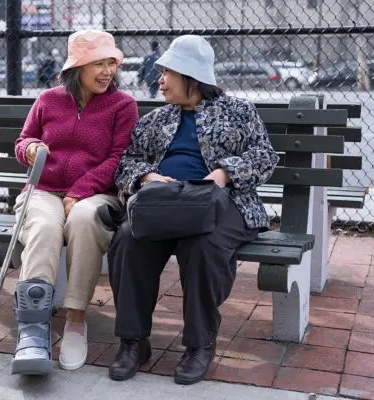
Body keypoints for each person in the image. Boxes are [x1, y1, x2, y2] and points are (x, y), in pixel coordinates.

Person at [107, 35, 278, 385]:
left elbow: (264, 157)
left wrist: (224, 173)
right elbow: (127, 163)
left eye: (167, 72)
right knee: (128, 239)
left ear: (191, 74)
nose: (160, 80)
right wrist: (148, 176)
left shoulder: (239, 111)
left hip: (223, 204)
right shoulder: (155, 120)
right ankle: (133, 341)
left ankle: (200, 344)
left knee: (204, 245)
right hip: (164, 204)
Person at [11, 30, 138, 375]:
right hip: (43, 190)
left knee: (84, 219)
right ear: (77, 67)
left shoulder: (123, 105)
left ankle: (76, 320)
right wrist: (32, 149)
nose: (107, 71)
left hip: (95, 193)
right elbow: (23, 141)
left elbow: (119, 158)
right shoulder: (48, 99)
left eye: (111, 62)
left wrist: (79, 191)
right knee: (45, 226)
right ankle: (33, 331)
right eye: (98, 63)